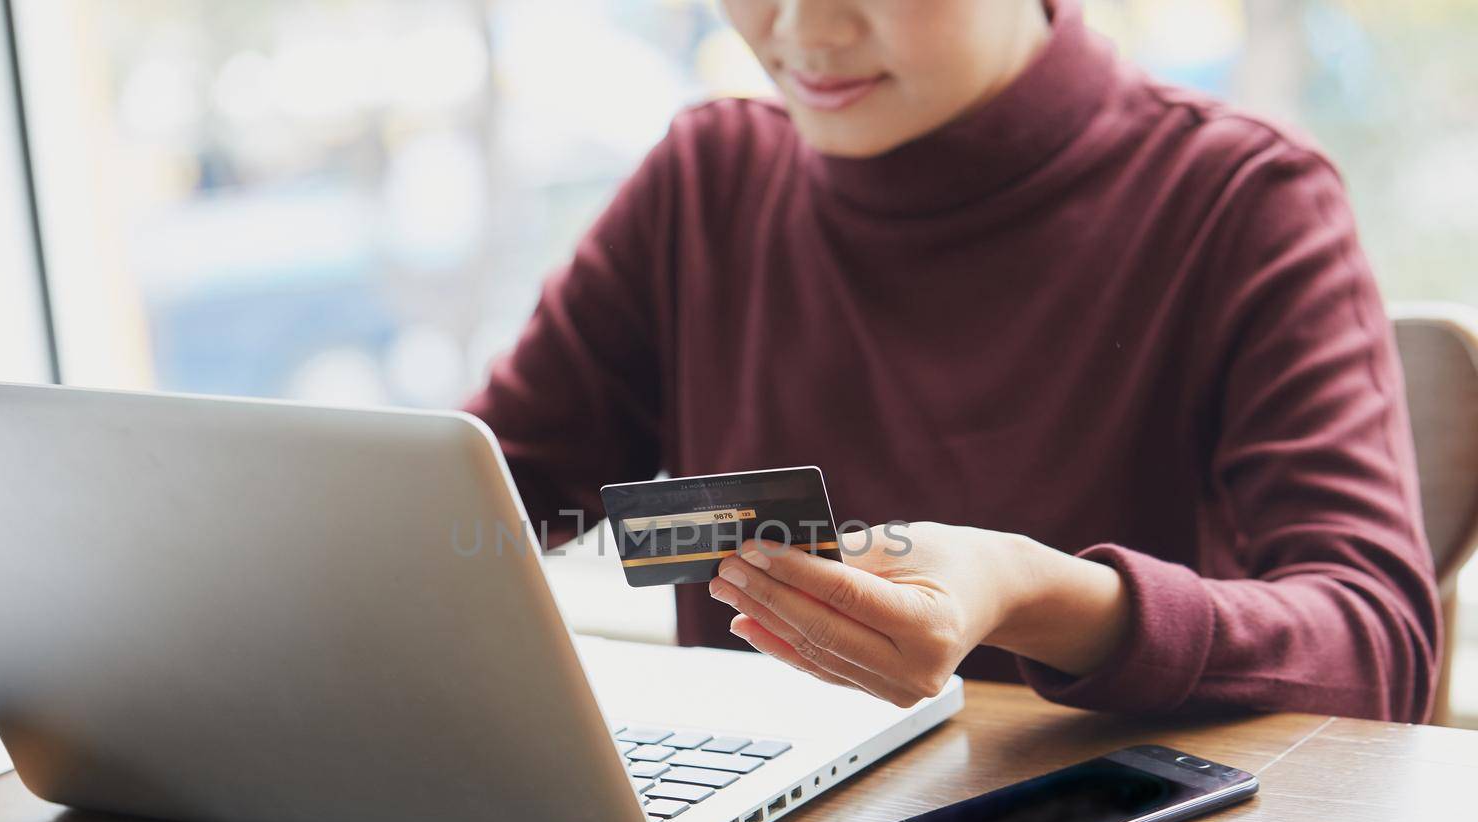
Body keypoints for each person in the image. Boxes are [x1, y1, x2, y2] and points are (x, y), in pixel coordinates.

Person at [464, 0, 1441, 722]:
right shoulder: (705, 183)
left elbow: (1372, 644)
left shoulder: (1240, 199)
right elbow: (478, 505)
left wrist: (1041, 597)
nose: (802, 27)